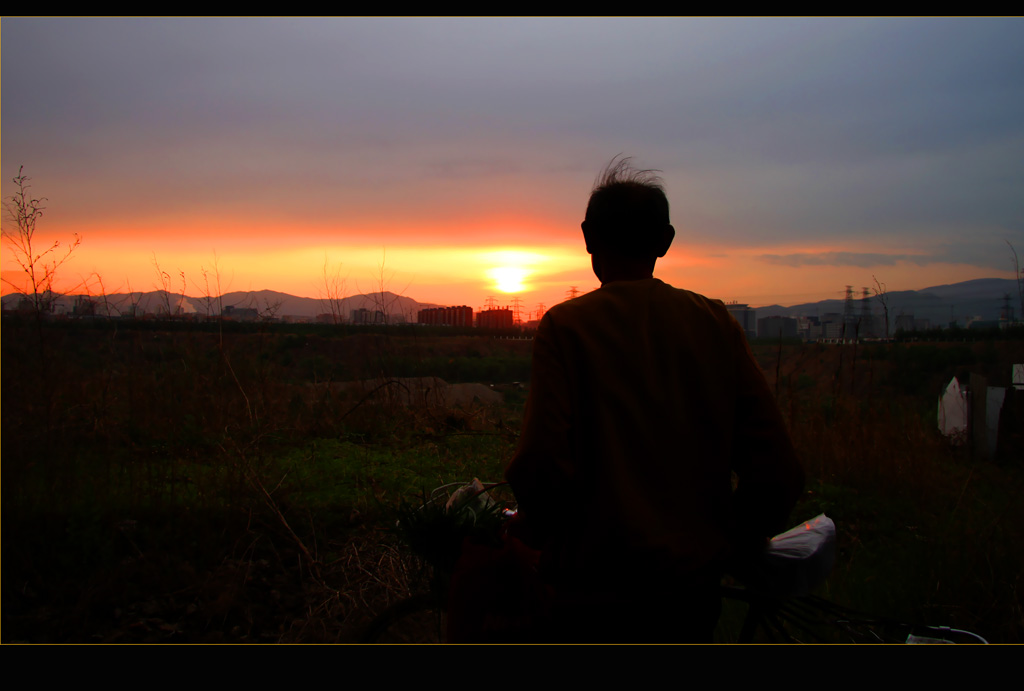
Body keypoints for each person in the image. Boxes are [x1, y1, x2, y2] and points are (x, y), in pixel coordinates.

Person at [504, 157, 804, 642]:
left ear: (587, 237)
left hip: (590, 594)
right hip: (687, 597)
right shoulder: (714, 323)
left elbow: (541, 463)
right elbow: (778, 470)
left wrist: (533, 533)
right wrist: (726, 545)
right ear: (665, 242)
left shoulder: (566, 327)